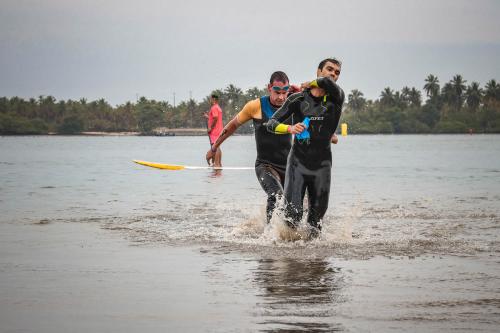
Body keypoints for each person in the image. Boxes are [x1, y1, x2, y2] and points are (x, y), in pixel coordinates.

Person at [265, 58, 345, 237]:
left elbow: (325, 83)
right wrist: (290, 128)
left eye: (337, 72)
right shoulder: (297, 99)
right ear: (318, 70)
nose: (333, 74)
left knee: (315, 224)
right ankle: (288, 256)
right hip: (297, 164)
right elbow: (270, 124)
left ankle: (313, 263)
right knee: (292, 216)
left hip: (322, 166)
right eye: (329, 69)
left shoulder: (337, 98)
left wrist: (311, 83)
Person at [206, 71, 299, 222]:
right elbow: (232, 126)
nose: (281, 97)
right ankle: (269, 235)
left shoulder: (292, 104)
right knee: (276, 195)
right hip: (266, 165)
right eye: (277, 92)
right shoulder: (255, 106)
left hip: (288, 166)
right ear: (269, 88)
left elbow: (315, 108)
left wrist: (302, 91)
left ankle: (289, 237)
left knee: (295, 207)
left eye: (284, 92)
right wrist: (214, 147)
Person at [204, 94, 224, 167]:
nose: (210, 100)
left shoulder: (214, 108)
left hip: (215, 131)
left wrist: (210, 128)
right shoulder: (218, 107)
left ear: (213, 99)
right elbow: (214, 118)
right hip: (219, 130)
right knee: (217, 146)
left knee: (216, 146)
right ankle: (219, 163)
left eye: (210, 99)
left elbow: (215, 118)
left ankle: (217, 164)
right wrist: (207, 117)